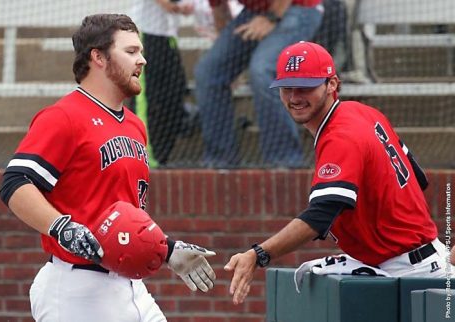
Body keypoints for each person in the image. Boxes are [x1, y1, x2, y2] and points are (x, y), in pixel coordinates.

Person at [0, 14, 216, 321]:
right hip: (77, 287)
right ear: (97, 57)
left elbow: (120, 214)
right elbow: (15, 182)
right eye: (130, 52)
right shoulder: (63, 116)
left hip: (131, 285)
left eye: (140, 51)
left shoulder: (135, 125)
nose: (141, 60)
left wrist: (167, 250)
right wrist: (59, 226)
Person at [224, 41, 451, 304]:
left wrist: (258, 254)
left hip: (411, 274)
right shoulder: (362, 112)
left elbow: (321, 216)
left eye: (305, 87)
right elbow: (417, 178)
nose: (295, 97)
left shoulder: (341, 135)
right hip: (413, 261)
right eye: (287, 88)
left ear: (332, 84)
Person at [194, 0, 324, 168]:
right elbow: (219, 9)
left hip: (299, 8)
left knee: (262, 69)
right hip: (254, 12)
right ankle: (221, 161)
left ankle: (284, 161)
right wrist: (227, 59)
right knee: (208, 72)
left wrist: (270, 18)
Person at [129, 0, 194, 167]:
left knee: (174, 95)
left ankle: (161, 157)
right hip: (145, 35)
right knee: (145, 99)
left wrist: (184, 5)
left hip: (168, 36)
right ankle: (142, 157)